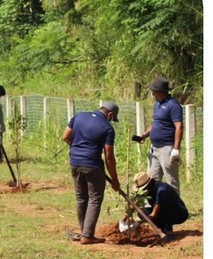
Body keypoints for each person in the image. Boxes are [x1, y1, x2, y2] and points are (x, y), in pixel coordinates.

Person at [62, 102, 121, 245]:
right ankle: (87, 236)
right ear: (110, 115)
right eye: (112, 118)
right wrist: (114, 179)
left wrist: (78, 149)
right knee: (95, 198)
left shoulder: (79, 116)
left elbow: (65, 137)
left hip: (75, 163)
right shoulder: (107, 127)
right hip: (93, 166)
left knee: (81, 198)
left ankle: (85, 232)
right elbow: (108, 156)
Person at [133, 76, 183, 192]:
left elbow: (179, 126)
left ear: (160, 92)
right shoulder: (158, 105)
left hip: (167, 148)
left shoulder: (173, 105)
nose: (152, 94)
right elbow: (156, 123)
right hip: (154, 148)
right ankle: (151, 207)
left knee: (172, 181)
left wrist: (176, 149)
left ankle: (174, 208)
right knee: (151, 180)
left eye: (154, 92)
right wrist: (144, 135)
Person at [132, 171, 189, 237]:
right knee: (141, 211)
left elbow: (153, 215)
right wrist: (126, 217)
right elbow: (135, 204)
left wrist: (137, 223)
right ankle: (162, 226)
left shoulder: (162, 190)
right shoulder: (149, 189)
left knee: (165, 203)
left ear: (147, 185)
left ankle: (168, 229)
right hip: (161, 211)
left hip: (178, 214)